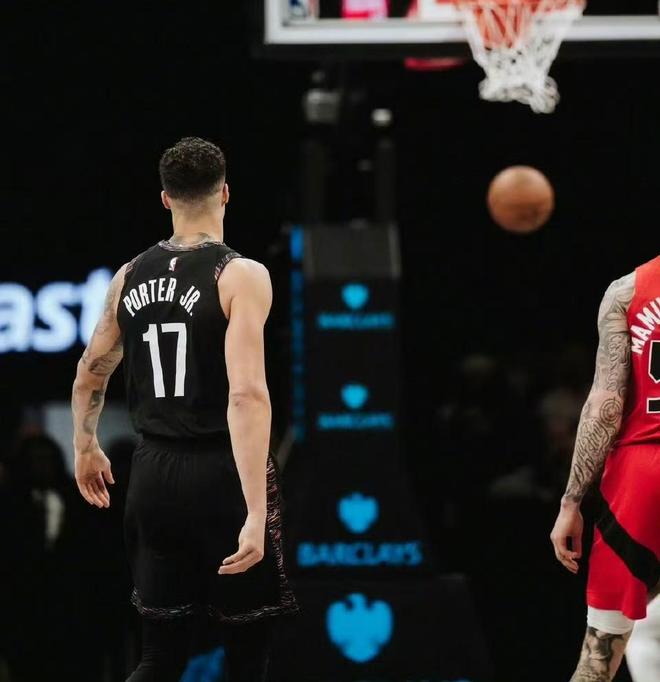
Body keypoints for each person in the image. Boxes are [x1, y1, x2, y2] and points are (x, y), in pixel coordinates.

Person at [71, 136, 297, 682]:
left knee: (159, 658)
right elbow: (246, 394)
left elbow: (90, 371)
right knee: (247, 659)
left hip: (153, 473)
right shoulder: (240, 274)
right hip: (222, 470)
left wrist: (85, 446)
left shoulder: (128, 275)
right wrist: (253, 510)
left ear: (166, 198)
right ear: (226, 193)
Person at [550, 255, 660, 681]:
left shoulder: (627, 291)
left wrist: (571, 502)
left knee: (598, 656)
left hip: (641, 480)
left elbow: (603, 406)